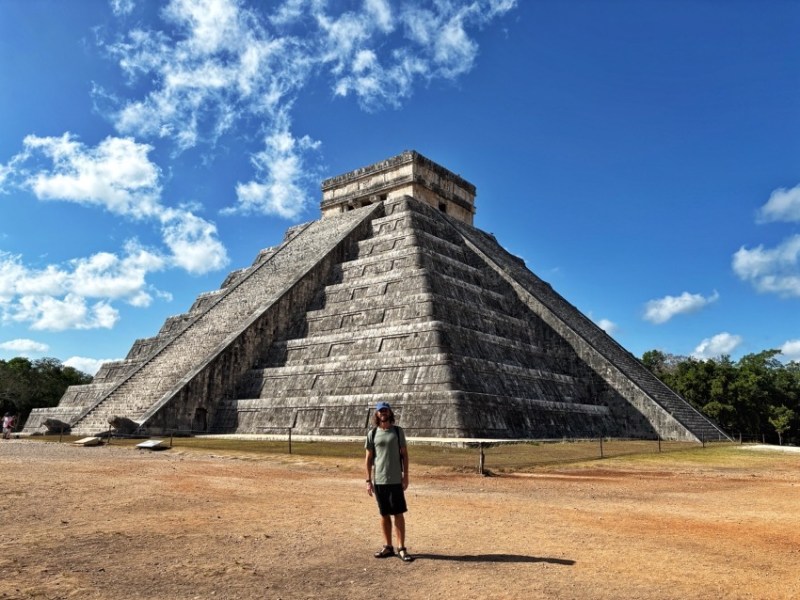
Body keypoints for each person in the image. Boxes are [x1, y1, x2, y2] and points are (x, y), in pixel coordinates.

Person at [365, 401, 413, 562]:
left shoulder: (398, 432)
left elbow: (404, 455)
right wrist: (368, 480)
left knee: (398, 513)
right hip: (379, 480)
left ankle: (401, 548)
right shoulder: (372, 434)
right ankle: (388, 546)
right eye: (380, 411)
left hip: (395, 479)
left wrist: (405, 475)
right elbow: (368, 458)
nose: (383, 412)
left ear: (390, 412)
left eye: (385, 410)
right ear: (377, 414)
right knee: (384, 514)